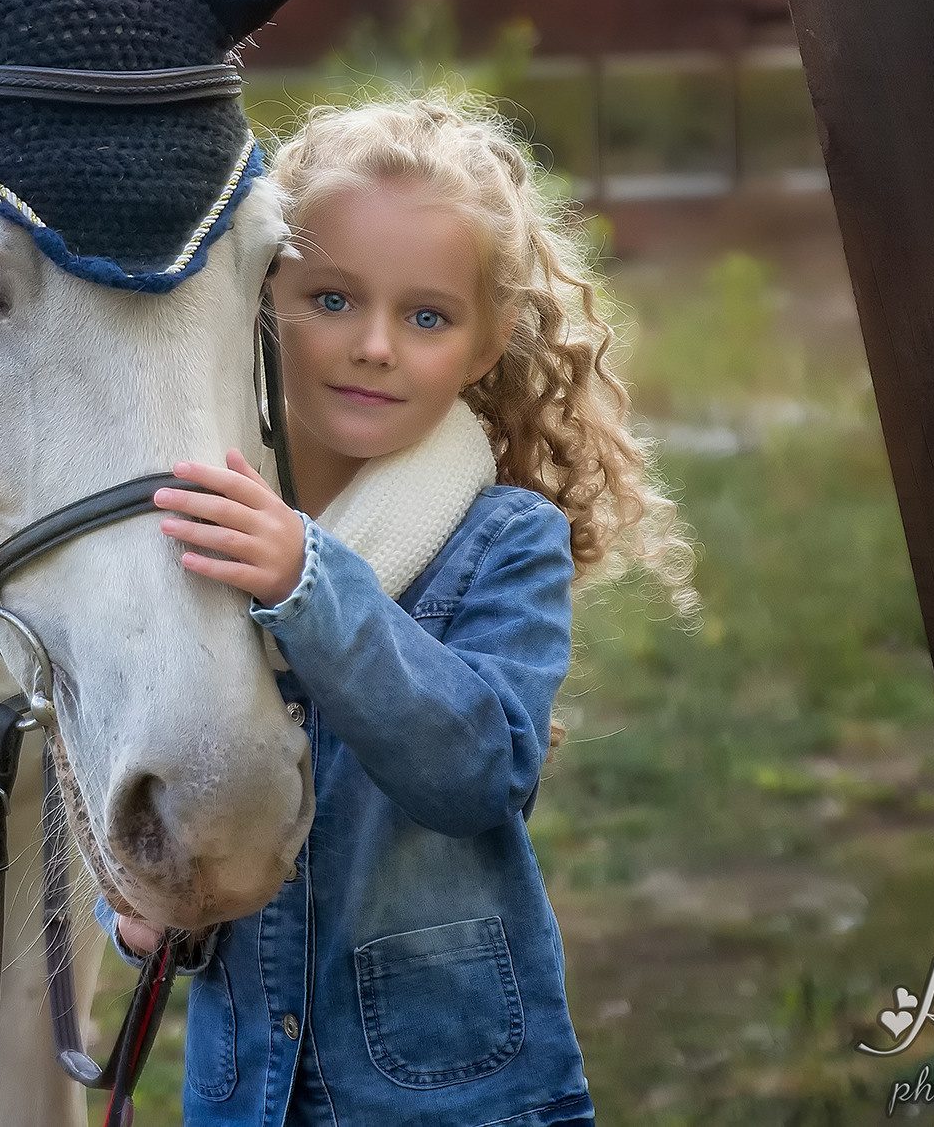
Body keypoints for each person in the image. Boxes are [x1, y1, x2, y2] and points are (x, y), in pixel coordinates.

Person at [101, 95, 698, 1125]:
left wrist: (308, 587)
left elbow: (476, 771)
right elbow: (175, 775)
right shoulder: (203, 524)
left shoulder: (503, 538)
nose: (374, 345)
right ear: (262, 294)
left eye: (426, 316)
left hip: (448, 1093)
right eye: (332, 298)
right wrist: (157, 907)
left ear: (483, 344)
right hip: (247, 1095)